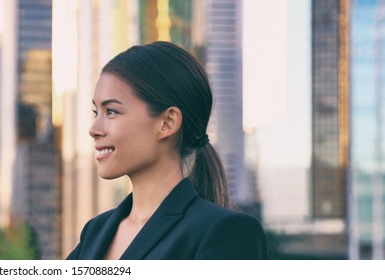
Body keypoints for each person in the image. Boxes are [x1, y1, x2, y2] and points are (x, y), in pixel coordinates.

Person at [66, 41, 269, 260]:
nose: (94, 129)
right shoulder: (94, 232)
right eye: (97, 112)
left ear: (167, 122)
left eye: (112, 111)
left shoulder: (228, 233)